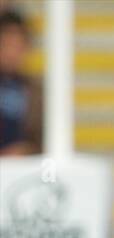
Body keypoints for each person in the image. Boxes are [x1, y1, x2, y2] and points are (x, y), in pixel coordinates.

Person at [0, 9, 41, 155]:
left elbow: (46, 139)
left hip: (24, 171)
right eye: (6, 44)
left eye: (17, 45)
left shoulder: (37, 91)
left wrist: (27, 150)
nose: (11, 52)